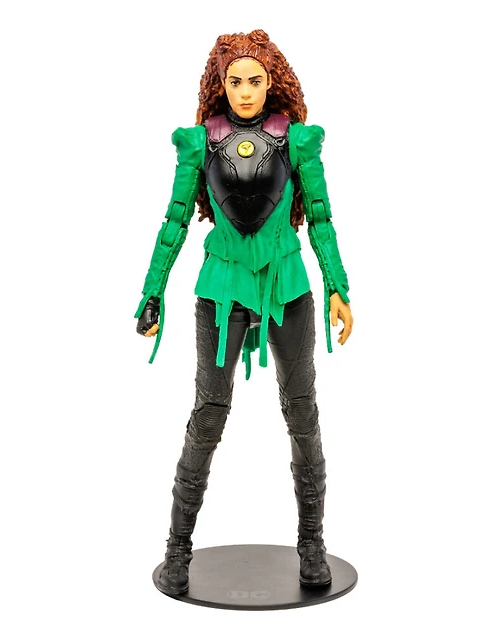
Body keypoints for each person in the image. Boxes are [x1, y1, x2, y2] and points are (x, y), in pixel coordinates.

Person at [135, 29, 353, 596]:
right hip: (222, 286)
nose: (247, 91)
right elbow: (175, 219)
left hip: (287, 284)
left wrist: (338, 286)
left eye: (256, 80)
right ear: (222, 84)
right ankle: (177, 548)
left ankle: (312, 544)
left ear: (271, 81)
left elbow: (321, 217)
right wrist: (153, 290)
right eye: (236, 81)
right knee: (208, 413)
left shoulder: (296, 140)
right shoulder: (200, 143)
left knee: (302, 412)